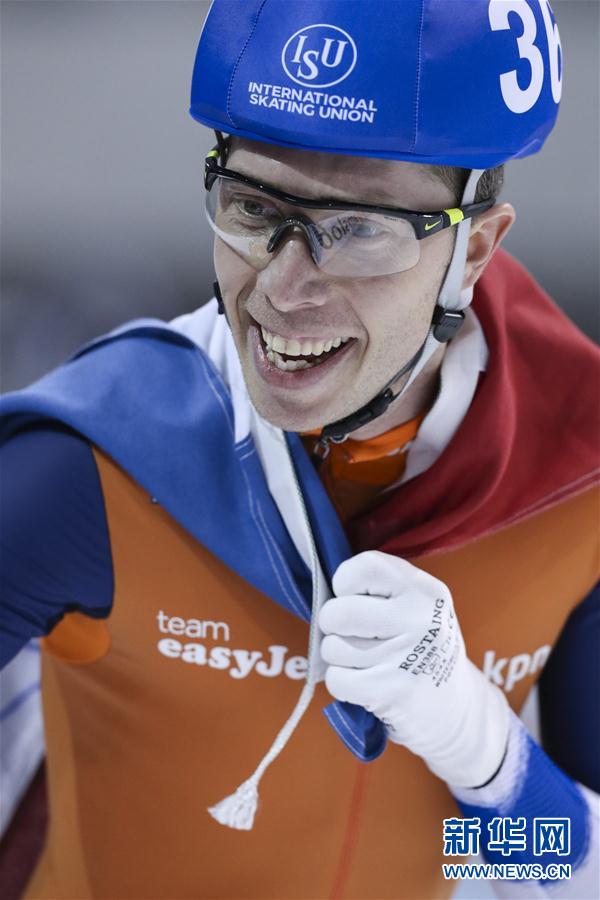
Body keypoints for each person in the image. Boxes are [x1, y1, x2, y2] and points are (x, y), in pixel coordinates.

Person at [1, 1, 598, 897]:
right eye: (253, 207)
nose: (282, 289)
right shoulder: (93, 464)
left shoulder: (579, 476)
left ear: (474, 251)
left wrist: (484, 753)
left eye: (357, 229)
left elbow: (566, 877)